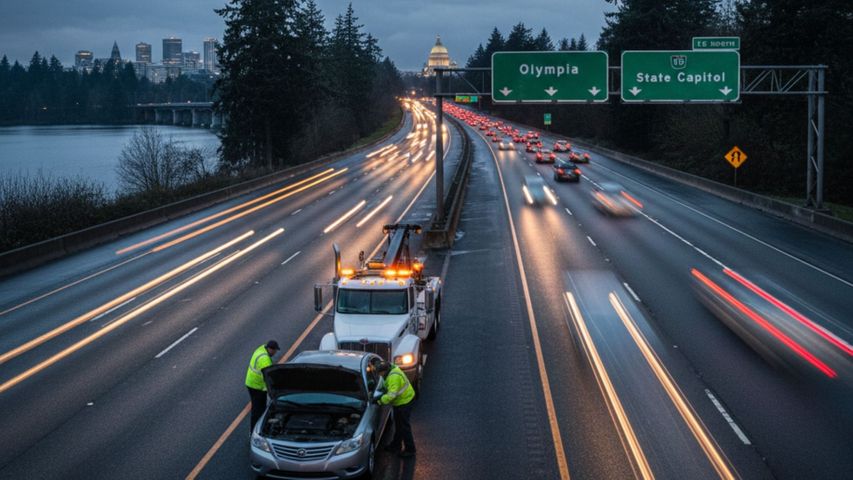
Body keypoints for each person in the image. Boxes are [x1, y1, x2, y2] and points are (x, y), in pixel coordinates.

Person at [376, 360, 416, 457]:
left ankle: (410, 449)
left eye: (380, 373)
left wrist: (380, 401)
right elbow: (385, 384)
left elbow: (391, 395)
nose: (379, 375)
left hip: (404, 401)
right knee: (399, 425)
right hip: (402, 401)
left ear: (384, 371)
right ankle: (396, 446)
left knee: (404, 426)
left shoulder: (393, 378)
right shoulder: (391, 370)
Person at [245, 340, 280, 432]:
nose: (275, 353)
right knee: (258, 410)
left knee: (259, 408)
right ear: (271, 349)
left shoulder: (261, 349)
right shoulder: (265, 360)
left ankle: (257, 428)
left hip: (251, 383)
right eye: (275, 351)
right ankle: (255, 431)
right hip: (257, 386)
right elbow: (268, 377)